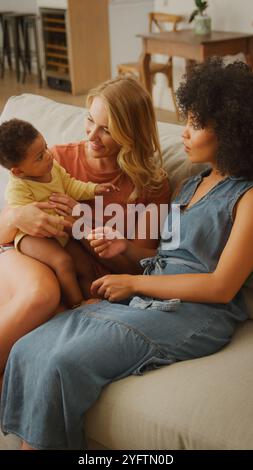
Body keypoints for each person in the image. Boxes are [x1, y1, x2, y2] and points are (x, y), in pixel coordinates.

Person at [3, 57, 253, 451]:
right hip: (148, 295)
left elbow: (222, 287)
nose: (184, 133)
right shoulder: (190, 187)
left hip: (196, 311)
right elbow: (159, 258)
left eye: (195, 124)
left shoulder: (247, 196)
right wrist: (124, 251)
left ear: (233, 131)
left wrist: (133, 281)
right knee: (28, 348)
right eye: (185, 121)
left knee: (61, 363)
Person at [0, 76, 170, 385]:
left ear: (131, 133)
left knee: (36, 360)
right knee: (42, 294)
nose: (92, 135)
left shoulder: (150, 185)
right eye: (90, 120)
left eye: (107, 129)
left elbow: (142, 264)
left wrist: (85, 227)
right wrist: (17, 216)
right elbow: (3, 236)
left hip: (83, 284)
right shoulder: (56, 159)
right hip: (29, 259)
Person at [0, 118, 118, 309]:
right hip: (32, 237)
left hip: (59, 233)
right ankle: (77, 304)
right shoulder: (18, 189)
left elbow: (70, 184)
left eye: (45, 147)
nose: (48, 156)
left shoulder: (52, 168)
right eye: (39, 157)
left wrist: (93, 189)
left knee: (83, 264)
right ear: (19, 171)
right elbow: (23, 219)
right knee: (62, 262)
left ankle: (95, 304)